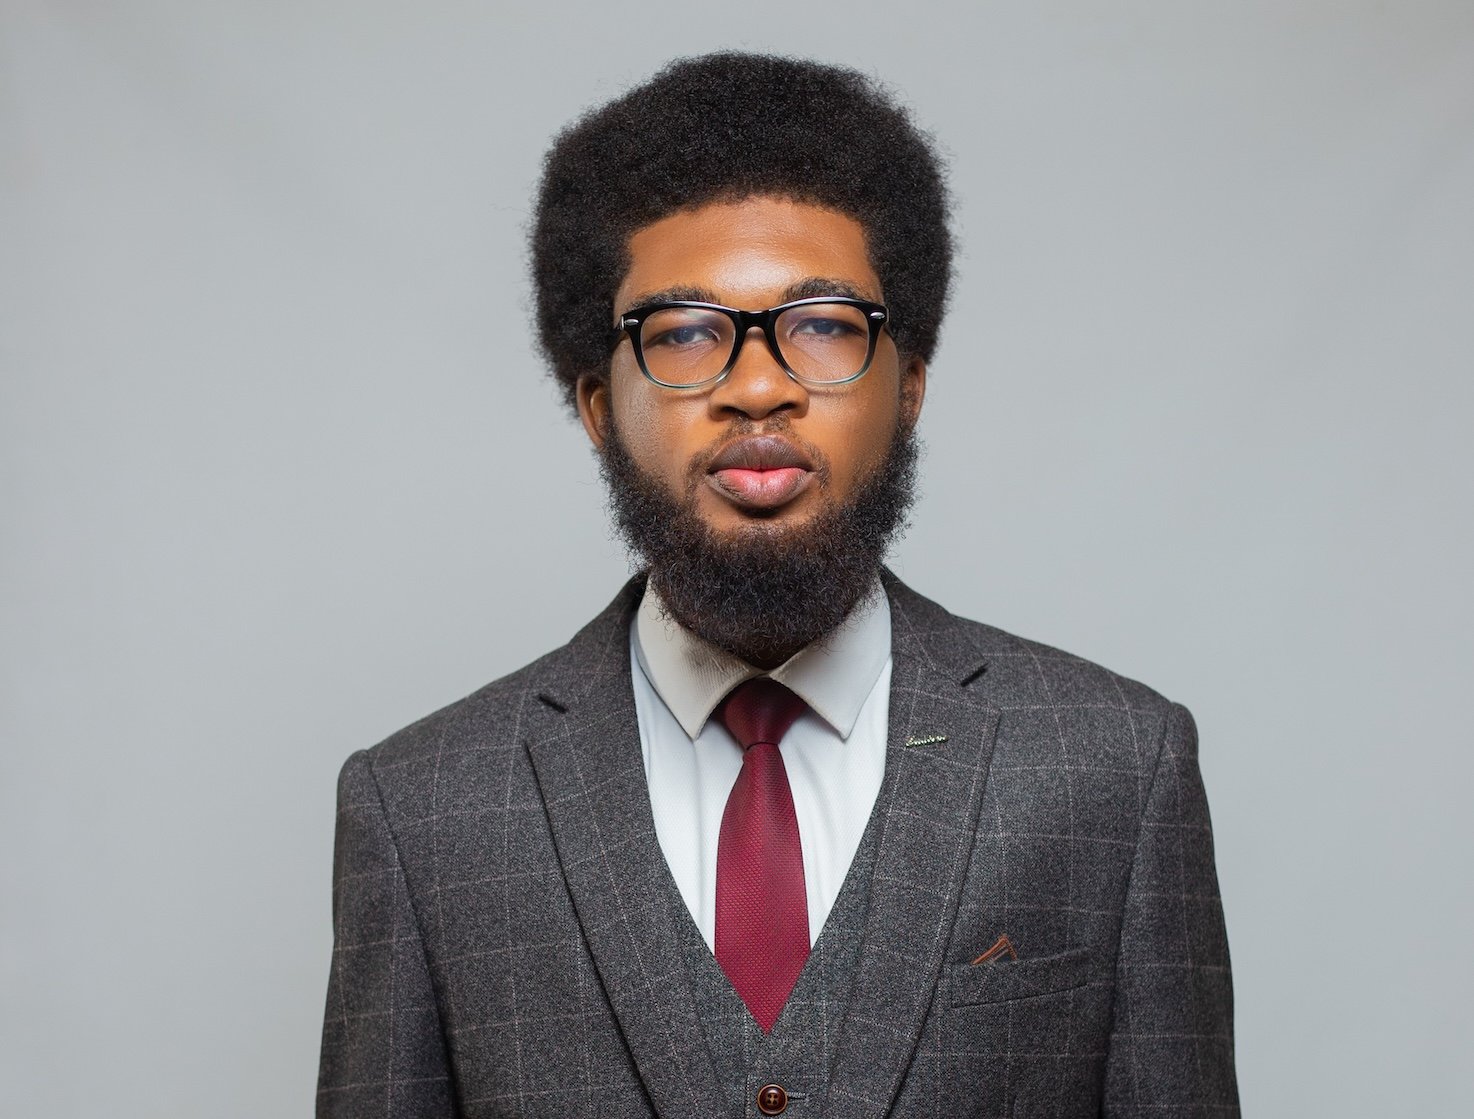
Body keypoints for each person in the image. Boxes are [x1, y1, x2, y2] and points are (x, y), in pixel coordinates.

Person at [316, 52, 1238, 1118]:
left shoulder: (1114, 768)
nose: (758, 384)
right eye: (685, 333)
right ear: (596, 405)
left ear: (910, 388)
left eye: (823, 325)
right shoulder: (425, 808)